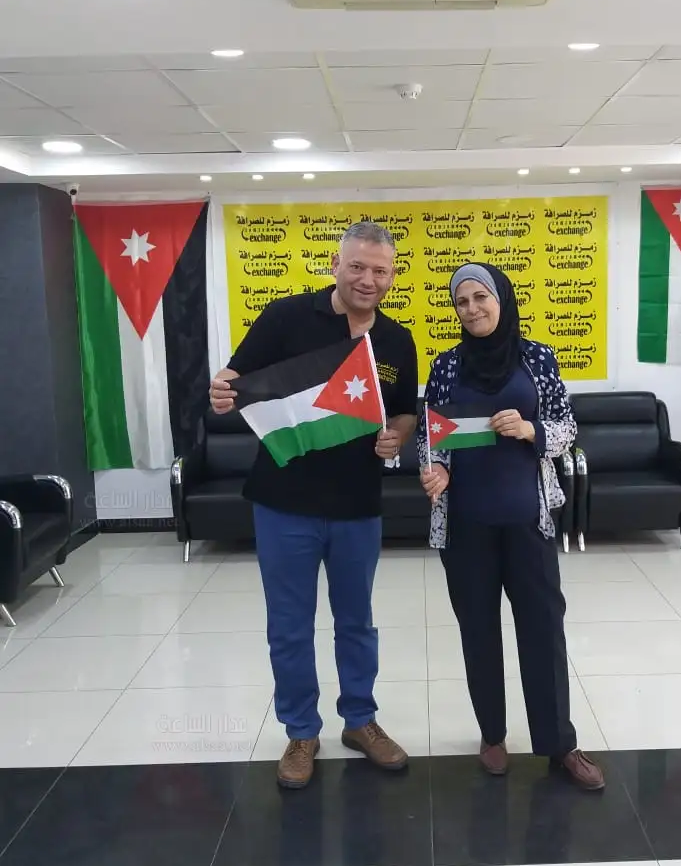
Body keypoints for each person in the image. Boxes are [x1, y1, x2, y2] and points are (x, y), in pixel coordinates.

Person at [210, 222, 418, 789]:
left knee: (357, 623)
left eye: (380, 271)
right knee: (289, 626)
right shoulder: (285, 317)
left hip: (358, 503)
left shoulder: (397, 341)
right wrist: (222, 389)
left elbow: (404, 411)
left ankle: (361, 721)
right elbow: (234, 378)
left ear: (392, 276)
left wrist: (396, 436)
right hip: (284, 502)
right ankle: (301, 732)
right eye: (358, 266)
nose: (368, 279)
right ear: (335, 265)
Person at [418, 263, 604, 790]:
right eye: (462, 301)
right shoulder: (447, 365)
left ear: (502, 299)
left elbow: (566, 427)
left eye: (481, 297)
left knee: (543, 630)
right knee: (478, 631)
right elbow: (433, 435)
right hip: (466, 526)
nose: (472, 308)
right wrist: (434, 469)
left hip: (529, 522)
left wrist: (530, 429)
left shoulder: (537, 357)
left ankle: (559, 742)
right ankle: (493, 735)